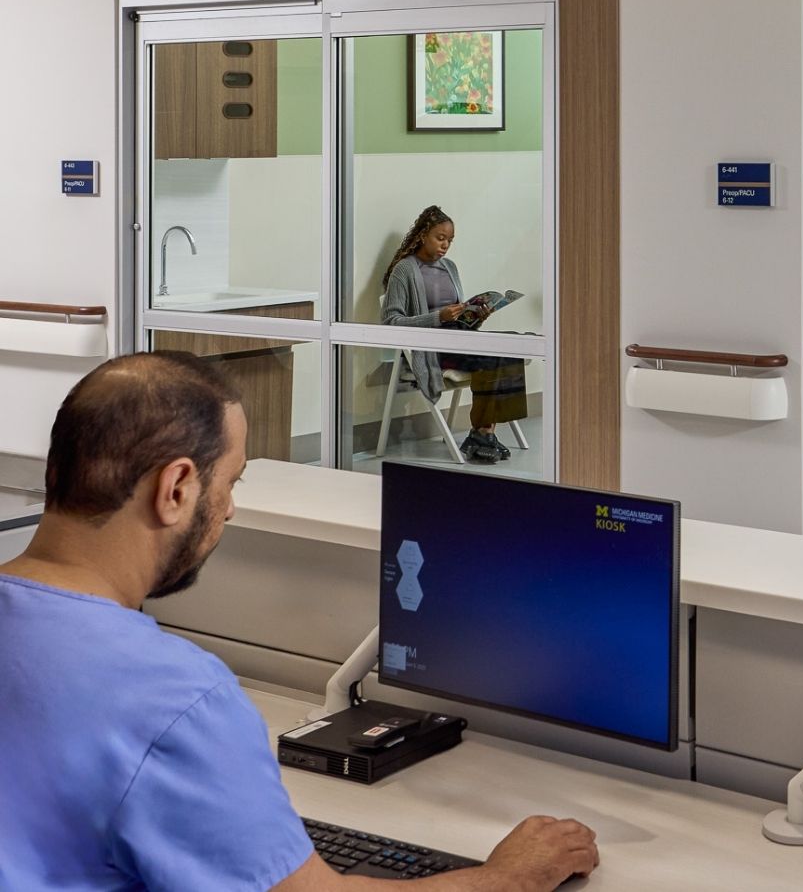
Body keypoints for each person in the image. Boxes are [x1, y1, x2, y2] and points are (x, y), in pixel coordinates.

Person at [0, 352, 599, 890]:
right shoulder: (172, 699)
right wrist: (509, 878)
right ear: (177, 487)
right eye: (229, 483)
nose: (230, 509)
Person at [380, 205, 528, 465]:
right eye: (440, 237)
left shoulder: (450, 267)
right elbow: (391, 322)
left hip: (458, 335)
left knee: (512, 343)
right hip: (432, 346)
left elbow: (458, 313)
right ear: (423, 235)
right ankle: (483, 434)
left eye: (450, 239)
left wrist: (476, 315)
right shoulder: (404, 270)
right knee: (489, 359)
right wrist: (439, 317)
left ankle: (483, 434)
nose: (446, 244)